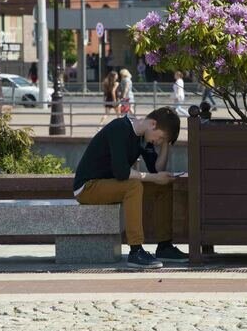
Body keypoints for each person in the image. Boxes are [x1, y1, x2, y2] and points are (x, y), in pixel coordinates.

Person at [74, 107, 187, 268]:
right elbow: (121, 172)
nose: (158, 142)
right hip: (88, 187)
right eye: (160, 137)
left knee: (162, 186)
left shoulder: (143, 138)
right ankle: (136, 251)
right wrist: (154, 177)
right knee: (133, 186)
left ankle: (164, 246)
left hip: (111, 185)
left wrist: (167, 144)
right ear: (153, 124)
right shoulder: (120, 128)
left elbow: (157, 169)